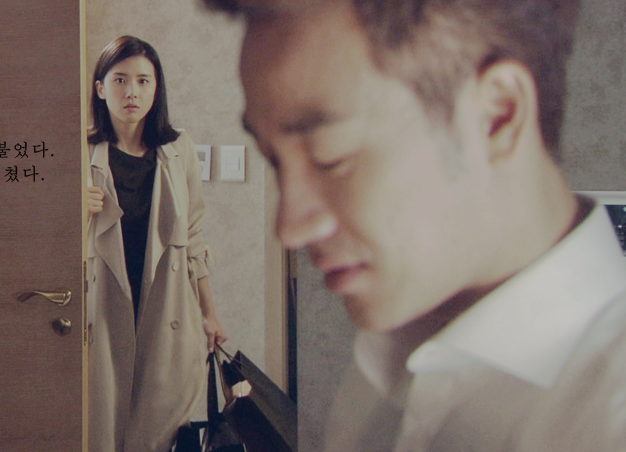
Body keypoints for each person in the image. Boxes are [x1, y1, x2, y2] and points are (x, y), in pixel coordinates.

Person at [205, 0, 626, 450]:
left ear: (497, 114)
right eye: (274, 160)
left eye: (330, 156)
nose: (289, 228)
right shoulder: (393, 347)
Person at [85, 35, 228, 452]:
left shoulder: (178, 149)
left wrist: (209, 313)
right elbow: (50, 238)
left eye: (143, 81)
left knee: (157, 427)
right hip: (105, 302)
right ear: (101, 88)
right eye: (120, 80)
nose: (132, 91)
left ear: (156, 88)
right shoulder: (82, 151)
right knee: (102, 422)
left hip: (166, 303)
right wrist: (73, 209)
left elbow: (194, 234)